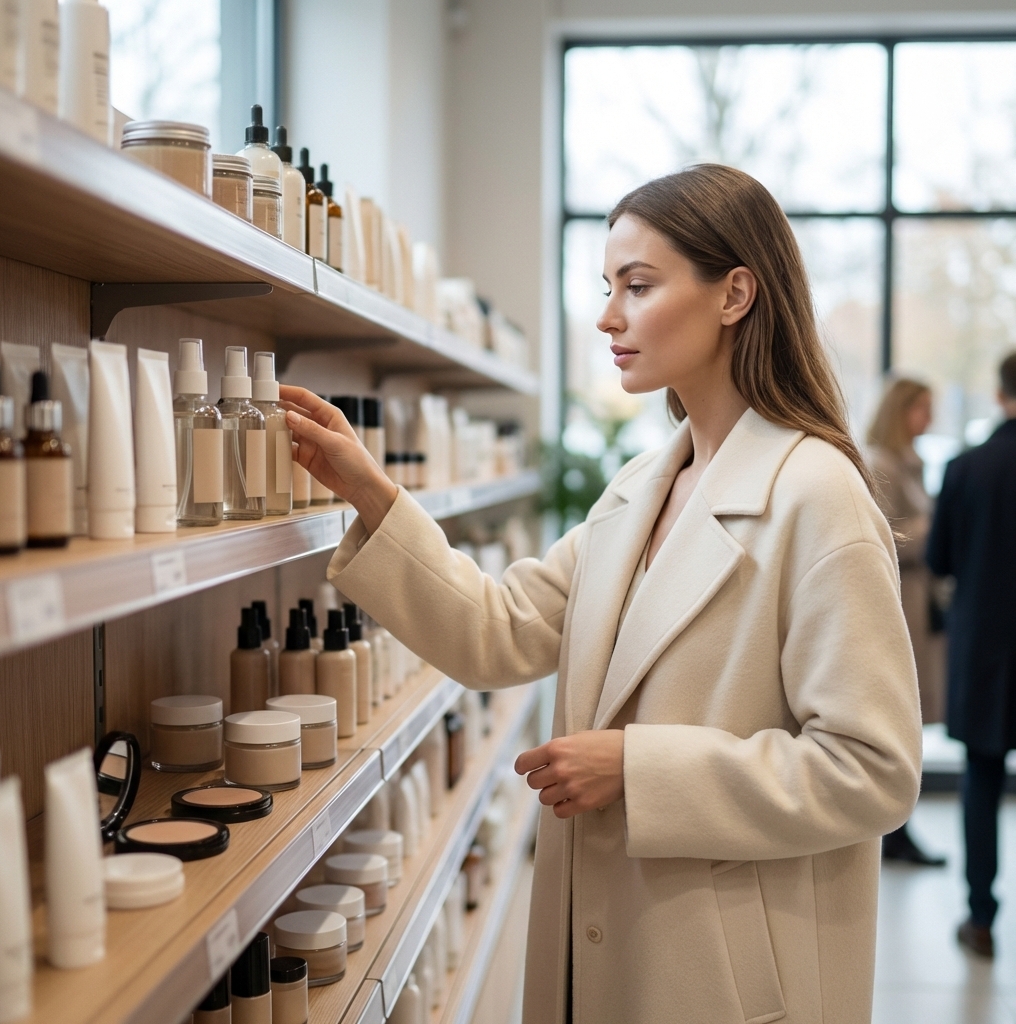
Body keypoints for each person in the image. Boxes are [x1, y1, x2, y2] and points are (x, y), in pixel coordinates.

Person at [283, 165, 922, 1024]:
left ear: (735, 294)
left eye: (639, 285)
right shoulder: (638, 489)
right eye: (607, 286)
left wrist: (638, 766)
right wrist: (370, 492)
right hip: (608, 943)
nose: (607, 315)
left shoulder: (818, 495)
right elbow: (496, 631)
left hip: (720, 976)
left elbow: (872, 771)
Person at [927, 351, 1016, 959]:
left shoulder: (967, 467)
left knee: (981, 779)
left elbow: (940, 559)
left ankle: (980, 917)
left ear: (999, 390)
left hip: (986, 645)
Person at [867, 378, 947, 866]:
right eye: (922, 407)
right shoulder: (880, 463)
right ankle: (892, 827)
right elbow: (881, 536)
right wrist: (933, 528)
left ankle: (899, 828)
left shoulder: (911, 463)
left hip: (921, 598)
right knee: (899, 706)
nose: (930, 418)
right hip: (900, 598)